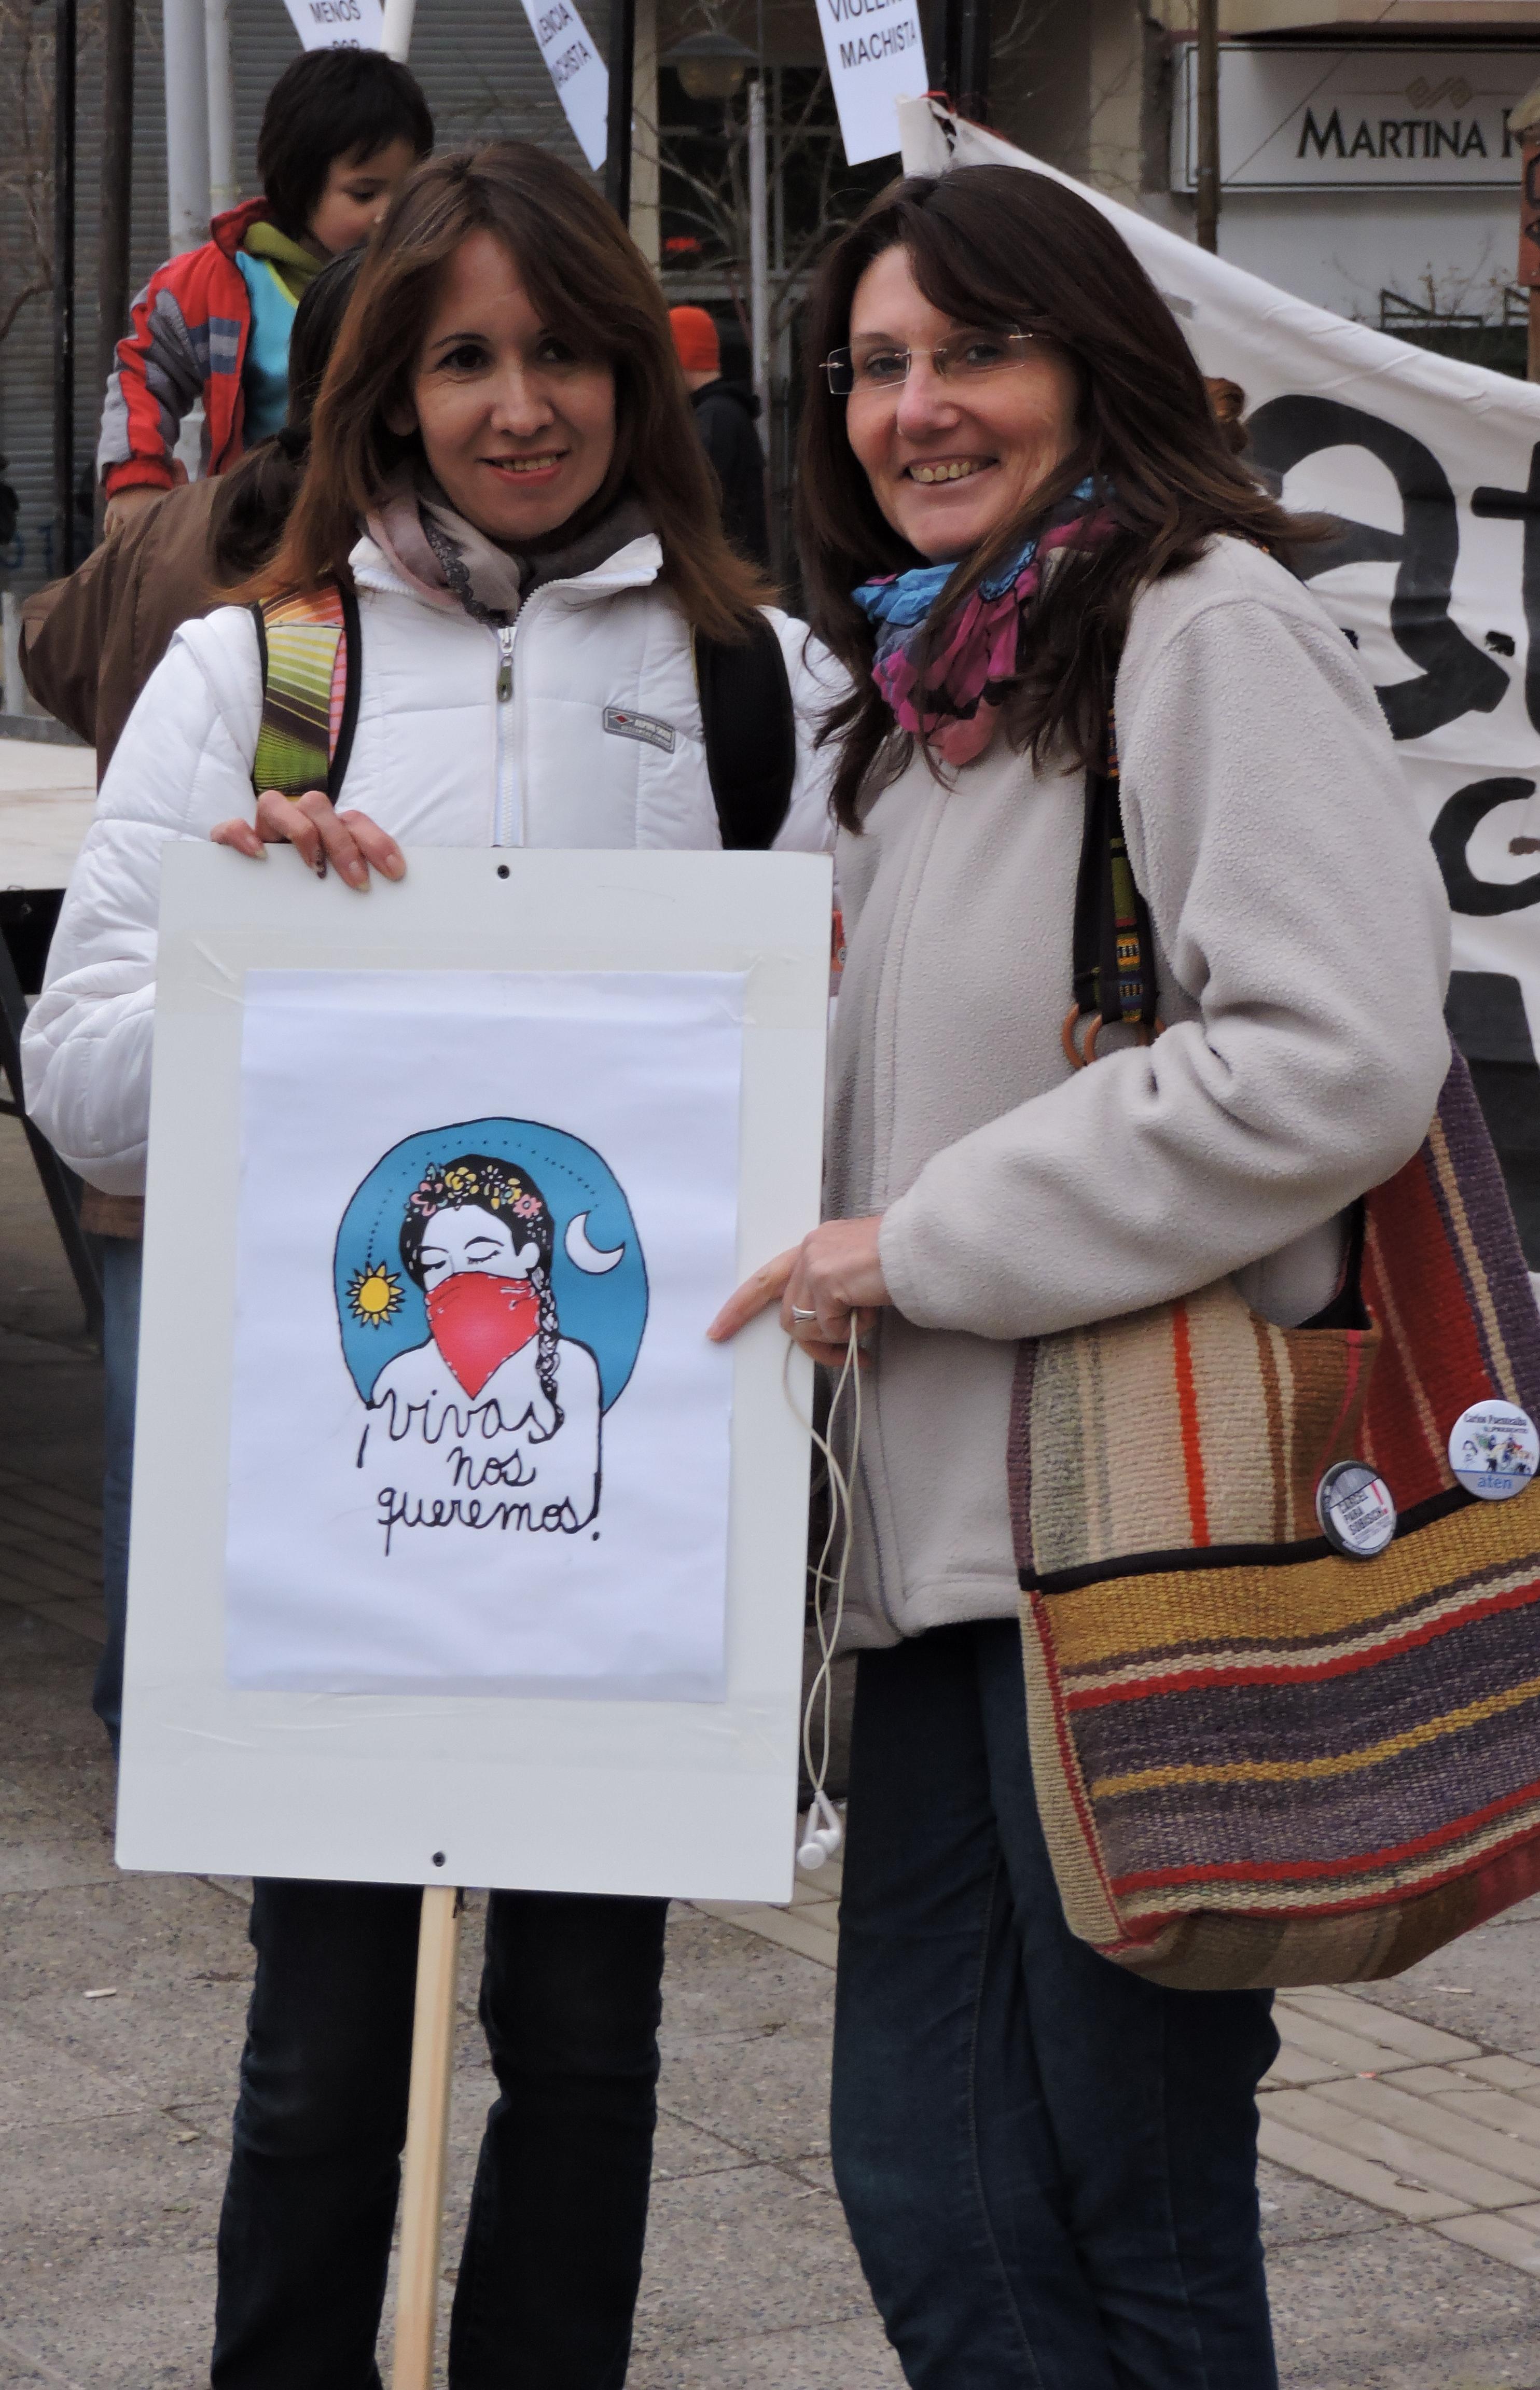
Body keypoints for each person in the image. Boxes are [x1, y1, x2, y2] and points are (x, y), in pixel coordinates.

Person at [24, 141, 836, 2386]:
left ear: (635, 372)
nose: (517, 404)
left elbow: (835, 1091)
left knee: (587, 2051)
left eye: (561, 349)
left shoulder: (759, 683)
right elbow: (82, 1088)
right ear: (385, 385)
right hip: (341, 1535)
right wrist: (252, 960)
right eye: (463, 356)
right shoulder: (248, 675)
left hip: (623, 1525)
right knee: (317, 2062)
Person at [711, 164, 1451, 2387]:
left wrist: (921, 1242)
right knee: (934, 2183)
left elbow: (1331, 1057)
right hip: (948, 1574)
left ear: (1090, 364)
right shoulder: (917, 699)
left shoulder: (1199, 628)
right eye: (872, 366)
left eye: (972, 352)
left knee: (1124, 2198)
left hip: (1131, 1551)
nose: (913, 407)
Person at [20, 247, 364, 1760]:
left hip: (172, 1027)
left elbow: (45, 646)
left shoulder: (168, 529)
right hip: (227, 1097)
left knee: (156, 1440)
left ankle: (148, 1731)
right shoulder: (291, 638)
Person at [98, 49, 430, 532]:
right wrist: (138, 476)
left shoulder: (432, 278)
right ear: (298, 184)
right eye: (364, 194)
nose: (389, 215)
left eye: (411, 191)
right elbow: (144, 373)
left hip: (402, 525)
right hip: (259, 531)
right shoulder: (217, 282)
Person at [669, 302, 770, 565]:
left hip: (725, 570)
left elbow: (694, 503)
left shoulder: (714, 417)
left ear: (679, 357)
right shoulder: (726, 411)